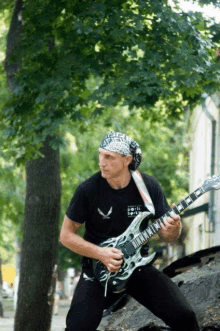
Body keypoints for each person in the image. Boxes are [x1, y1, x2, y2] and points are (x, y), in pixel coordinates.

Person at [60, 131, 200, 331]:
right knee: (77, 328)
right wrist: (101, 253)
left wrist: (174, 228)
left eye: (109, 157)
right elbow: (65, 236)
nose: (101, 162)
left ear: (127, 159)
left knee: (185, 316)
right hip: (99, 271)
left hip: (138, 268)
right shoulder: (88, 190)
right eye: (100, 155)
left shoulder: (148, 186)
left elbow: (167, 236)